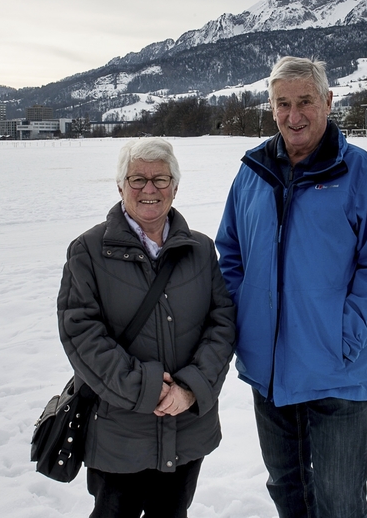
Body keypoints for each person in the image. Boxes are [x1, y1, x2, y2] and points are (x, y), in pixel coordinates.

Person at [215, 56, 367, 518]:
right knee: (288, 493)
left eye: (305, 101)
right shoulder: (252, 172)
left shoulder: (359, 172)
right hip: (271, 373)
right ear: (271, 107)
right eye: (283, 103)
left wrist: (346, 334)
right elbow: (231, 254)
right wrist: (248, 321)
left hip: (334, 373)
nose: (293, 115)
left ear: (328, 101)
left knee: (340, 504)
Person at [58, 137, 236, 518]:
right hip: (119, 433)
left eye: (161, 179)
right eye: (137, 179)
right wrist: (148, 389)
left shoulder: (201, 250)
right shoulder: (88, 251)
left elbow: (222, 324)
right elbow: (81, 333)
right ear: (120, 186)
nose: (149, 189)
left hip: (187, 426)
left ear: (175, 185)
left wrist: (190, 388)